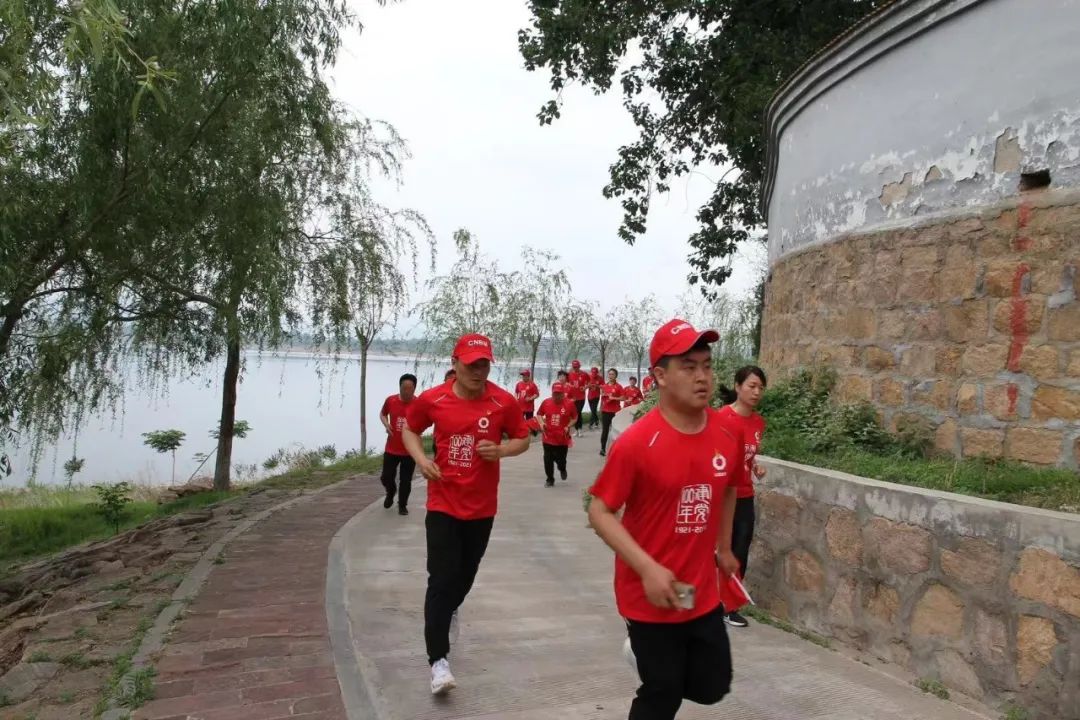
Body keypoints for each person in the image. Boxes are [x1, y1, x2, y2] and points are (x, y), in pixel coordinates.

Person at [587, 318, 746, 720]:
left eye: (707, 366)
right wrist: (647, 568)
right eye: (689, 367)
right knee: (663, 692)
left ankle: (641, 656)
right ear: (660, 376)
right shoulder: (638, 442)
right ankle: (652, 662)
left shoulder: (727, 434)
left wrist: (724, 547)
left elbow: (729, 486)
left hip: (696, 590)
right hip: (647, 593)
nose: (702, 377)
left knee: (713, 686)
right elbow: (599, 510)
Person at [402, 333, 531, 696]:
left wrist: (502, 450)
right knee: (441, 579)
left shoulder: (503, 402)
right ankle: (438, 662)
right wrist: (422, 460)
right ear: (454, 363)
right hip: (442, 504)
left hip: (482, 508)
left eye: (484, 365)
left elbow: (523, 438)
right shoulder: (434, 399)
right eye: (471, 364)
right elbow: (410, 429)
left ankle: (449, 609)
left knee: (465, 576)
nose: (478, 371)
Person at [716, 366, 768, 628]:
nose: (756, 392)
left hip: (745, 495)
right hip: (721, 495)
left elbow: (746, 454)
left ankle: (729, 606)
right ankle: (708, 602)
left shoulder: (758, 423)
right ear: (738, 387)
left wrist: (754, 466)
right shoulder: (721, 418)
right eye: (752, 386)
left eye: (760, 387)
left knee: (740, 550)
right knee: (716, 550)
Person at [379, 373, 418, 516]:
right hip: (392, 448)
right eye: (404, 388)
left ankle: (402, 505)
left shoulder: (419, 404)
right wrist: (386, 424)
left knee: (406, 480)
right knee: (386, 477)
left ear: (414, 388)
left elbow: (425, 421)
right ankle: (391, 492)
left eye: (410, 389)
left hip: (410, 450)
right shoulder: (391, 400)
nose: (406, 392)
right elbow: (383, 414)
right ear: (399, 387)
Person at [536, 382, 577, 487]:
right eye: (555, 394)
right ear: (552, 393)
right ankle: (550, 479)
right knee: (547, 459)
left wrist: (568, 426)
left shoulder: (569, 404)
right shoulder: (546, 402)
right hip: (548, 436)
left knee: (561, 460)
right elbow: (539, 414)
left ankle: (562, 468)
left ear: (563, 394)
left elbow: (575, 418)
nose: (557, 396)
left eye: (559, 394)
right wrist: (541, 423)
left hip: (562, 437)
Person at [599, 368, 623, 456]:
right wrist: (601, 408)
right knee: (605, 430)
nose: (610, 376)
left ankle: (615, 450)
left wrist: (614, 398)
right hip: (605, 411)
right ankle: (602, 449)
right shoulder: (604, 386)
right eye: (609, 374)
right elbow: (602, 398)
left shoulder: (619, 387)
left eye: (612, 374)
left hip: (615, 412)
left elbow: (623, 398)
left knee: (614, 431)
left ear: (616, 376)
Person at [567, 360, 589, 437]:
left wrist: (585, 387)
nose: (575, 368)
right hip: (572, 398)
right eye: (574, 367)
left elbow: (589, 382)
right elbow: (566, 383)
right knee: (574, 414)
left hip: (581, 397)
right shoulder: (569, 374)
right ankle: (576, 430)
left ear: (579, 366)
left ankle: (579, 430)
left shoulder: (584, 374)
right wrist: (569, 386)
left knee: (578, 412)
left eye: (576, 367)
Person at [515, 369, 541, 436]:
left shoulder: (532, 385)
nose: (523, 377)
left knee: (530, 421)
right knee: (519, 420)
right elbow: (516, 392)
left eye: (524, 375)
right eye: (522, 376)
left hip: (529, 408)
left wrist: (530, 398)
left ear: (528, 376)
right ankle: (521, 433)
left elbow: (537, 394)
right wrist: (515, 398)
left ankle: (533, 431)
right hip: (520, 407)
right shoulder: (519, 384)